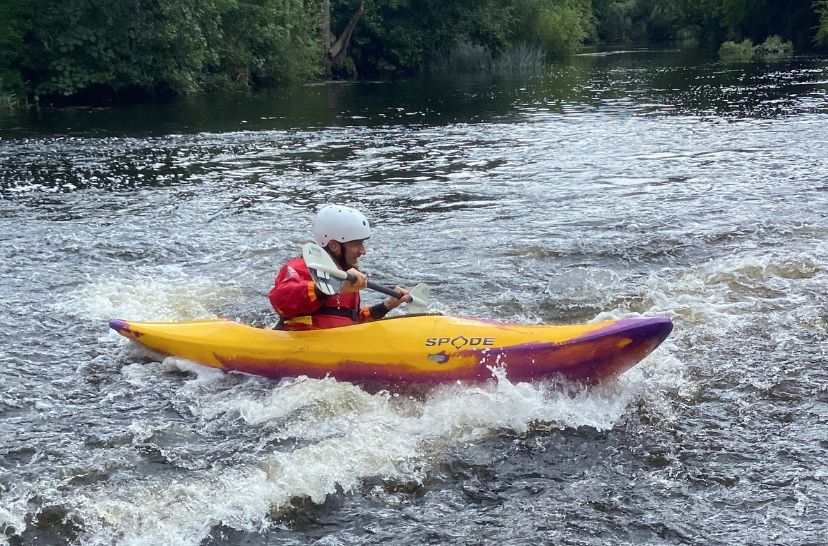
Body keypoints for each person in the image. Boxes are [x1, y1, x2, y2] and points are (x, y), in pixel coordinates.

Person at [269, 204, 412, 330]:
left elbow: (351, 320)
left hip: (336, 343)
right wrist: (330, 287)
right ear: (333, 245)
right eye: (357, 244)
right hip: (303, 343)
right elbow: (281, 301)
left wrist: (387, 305)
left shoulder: (344, 275)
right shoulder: (302, 266)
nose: (363, 251)